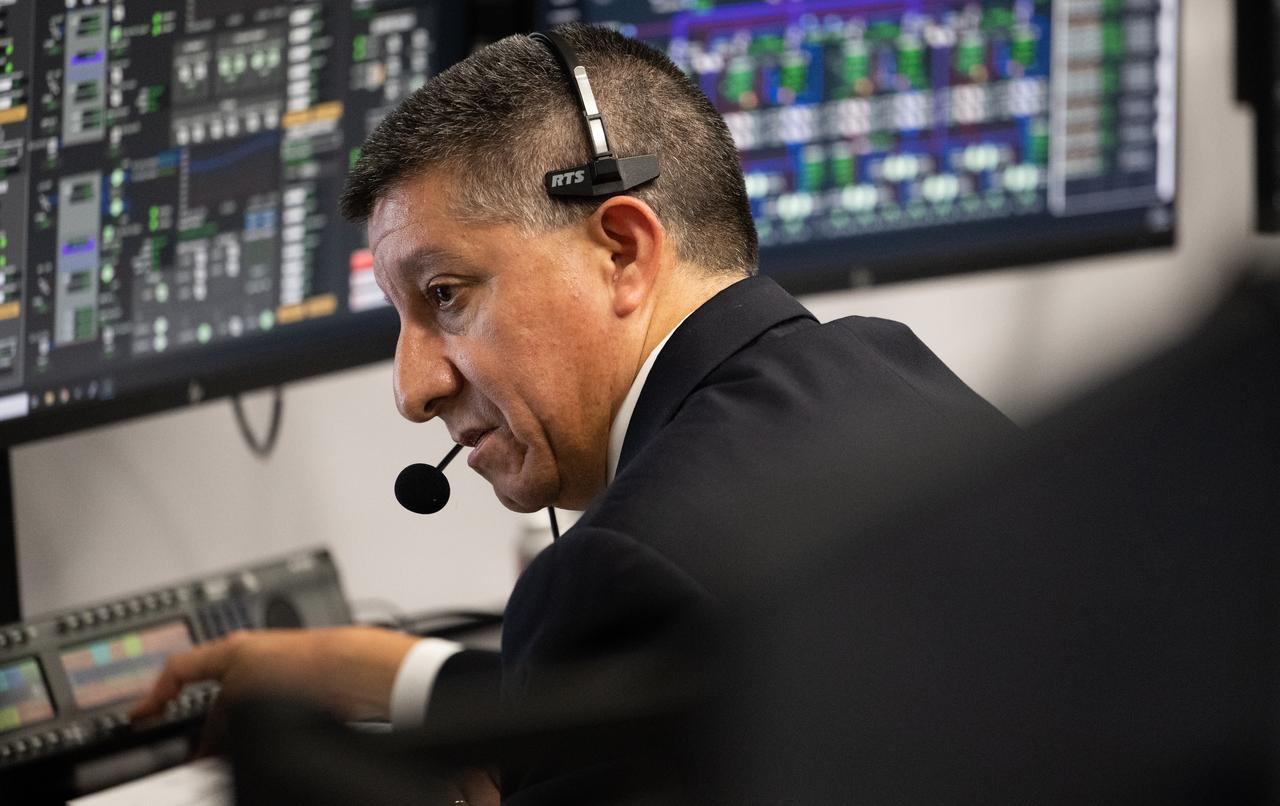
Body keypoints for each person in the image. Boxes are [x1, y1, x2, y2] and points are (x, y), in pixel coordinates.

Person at [132, 24, 1012, 803]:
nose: (412, 390)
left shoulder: (621, 570)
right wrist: (375, 672)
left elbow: (641, 632)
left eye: (446, 295)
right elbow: (686, 691)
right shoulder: (880, 365)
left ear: (623, 251)